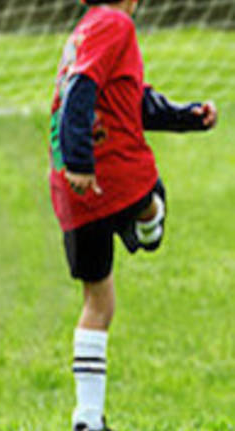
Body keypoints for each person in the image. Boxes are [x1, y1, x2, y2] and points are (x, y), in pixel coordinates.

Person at [49, 0, 218, 430]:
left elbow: (129, 100)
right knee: (149, 193)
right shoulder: (116, 23)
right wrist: (82, 160)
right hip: (111, 172)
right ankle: (148, 219)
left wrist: (185, 116)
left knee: (98, 302)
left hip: (70, 193)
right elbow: (81, 89)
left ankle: (87, 418)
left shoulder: (84, 30)